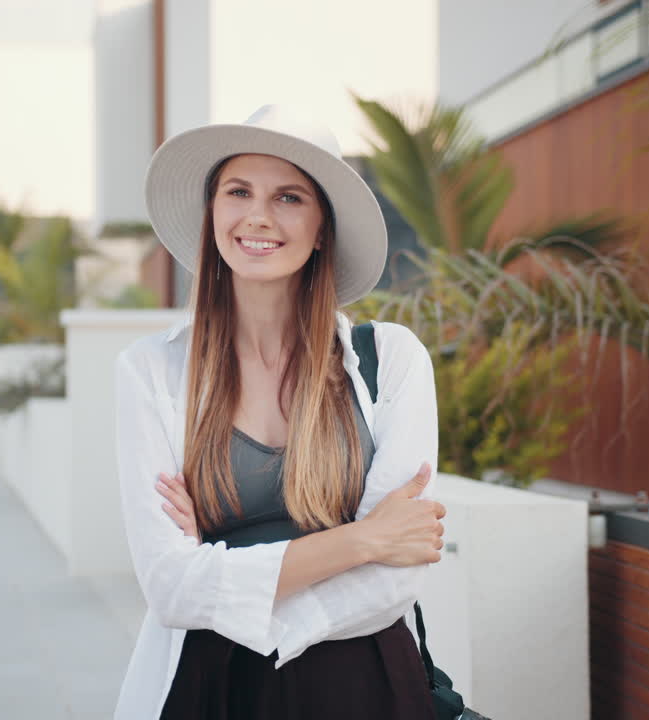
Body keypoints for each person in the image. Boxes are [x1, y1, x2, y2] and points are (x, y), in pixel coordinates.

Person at [113, 105, 446, 719]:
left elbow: (395, 578)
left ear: (322, 228)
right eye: (238, 191)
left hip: (364, 686)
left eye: (289, 197)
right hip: (211, 687)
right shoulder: (151, 371)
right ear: (213, 211)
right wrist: (363, 538)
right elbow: (168, 587)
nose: (259, 216)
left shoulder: (391, 361)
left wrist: (231, 586)